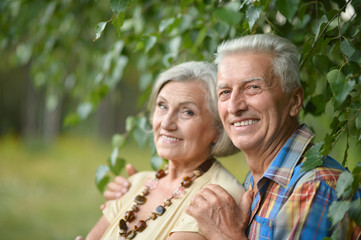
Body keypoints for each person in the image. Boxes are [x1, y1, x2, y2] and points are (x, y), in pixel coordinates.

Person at [104, 34, 361, 239]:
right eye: (225, 92)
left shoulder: (315, 186)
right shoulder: (256, 180)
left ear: (294, 101)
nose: (235, 105)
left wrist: (224, 236)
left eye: (253, 87)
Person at [85, 61, 245, 240]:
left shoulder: (218, 196)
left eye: (187, 112)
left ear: (218, 128)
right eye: (162, 106)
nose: (166, 123)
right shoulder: (136, 183)